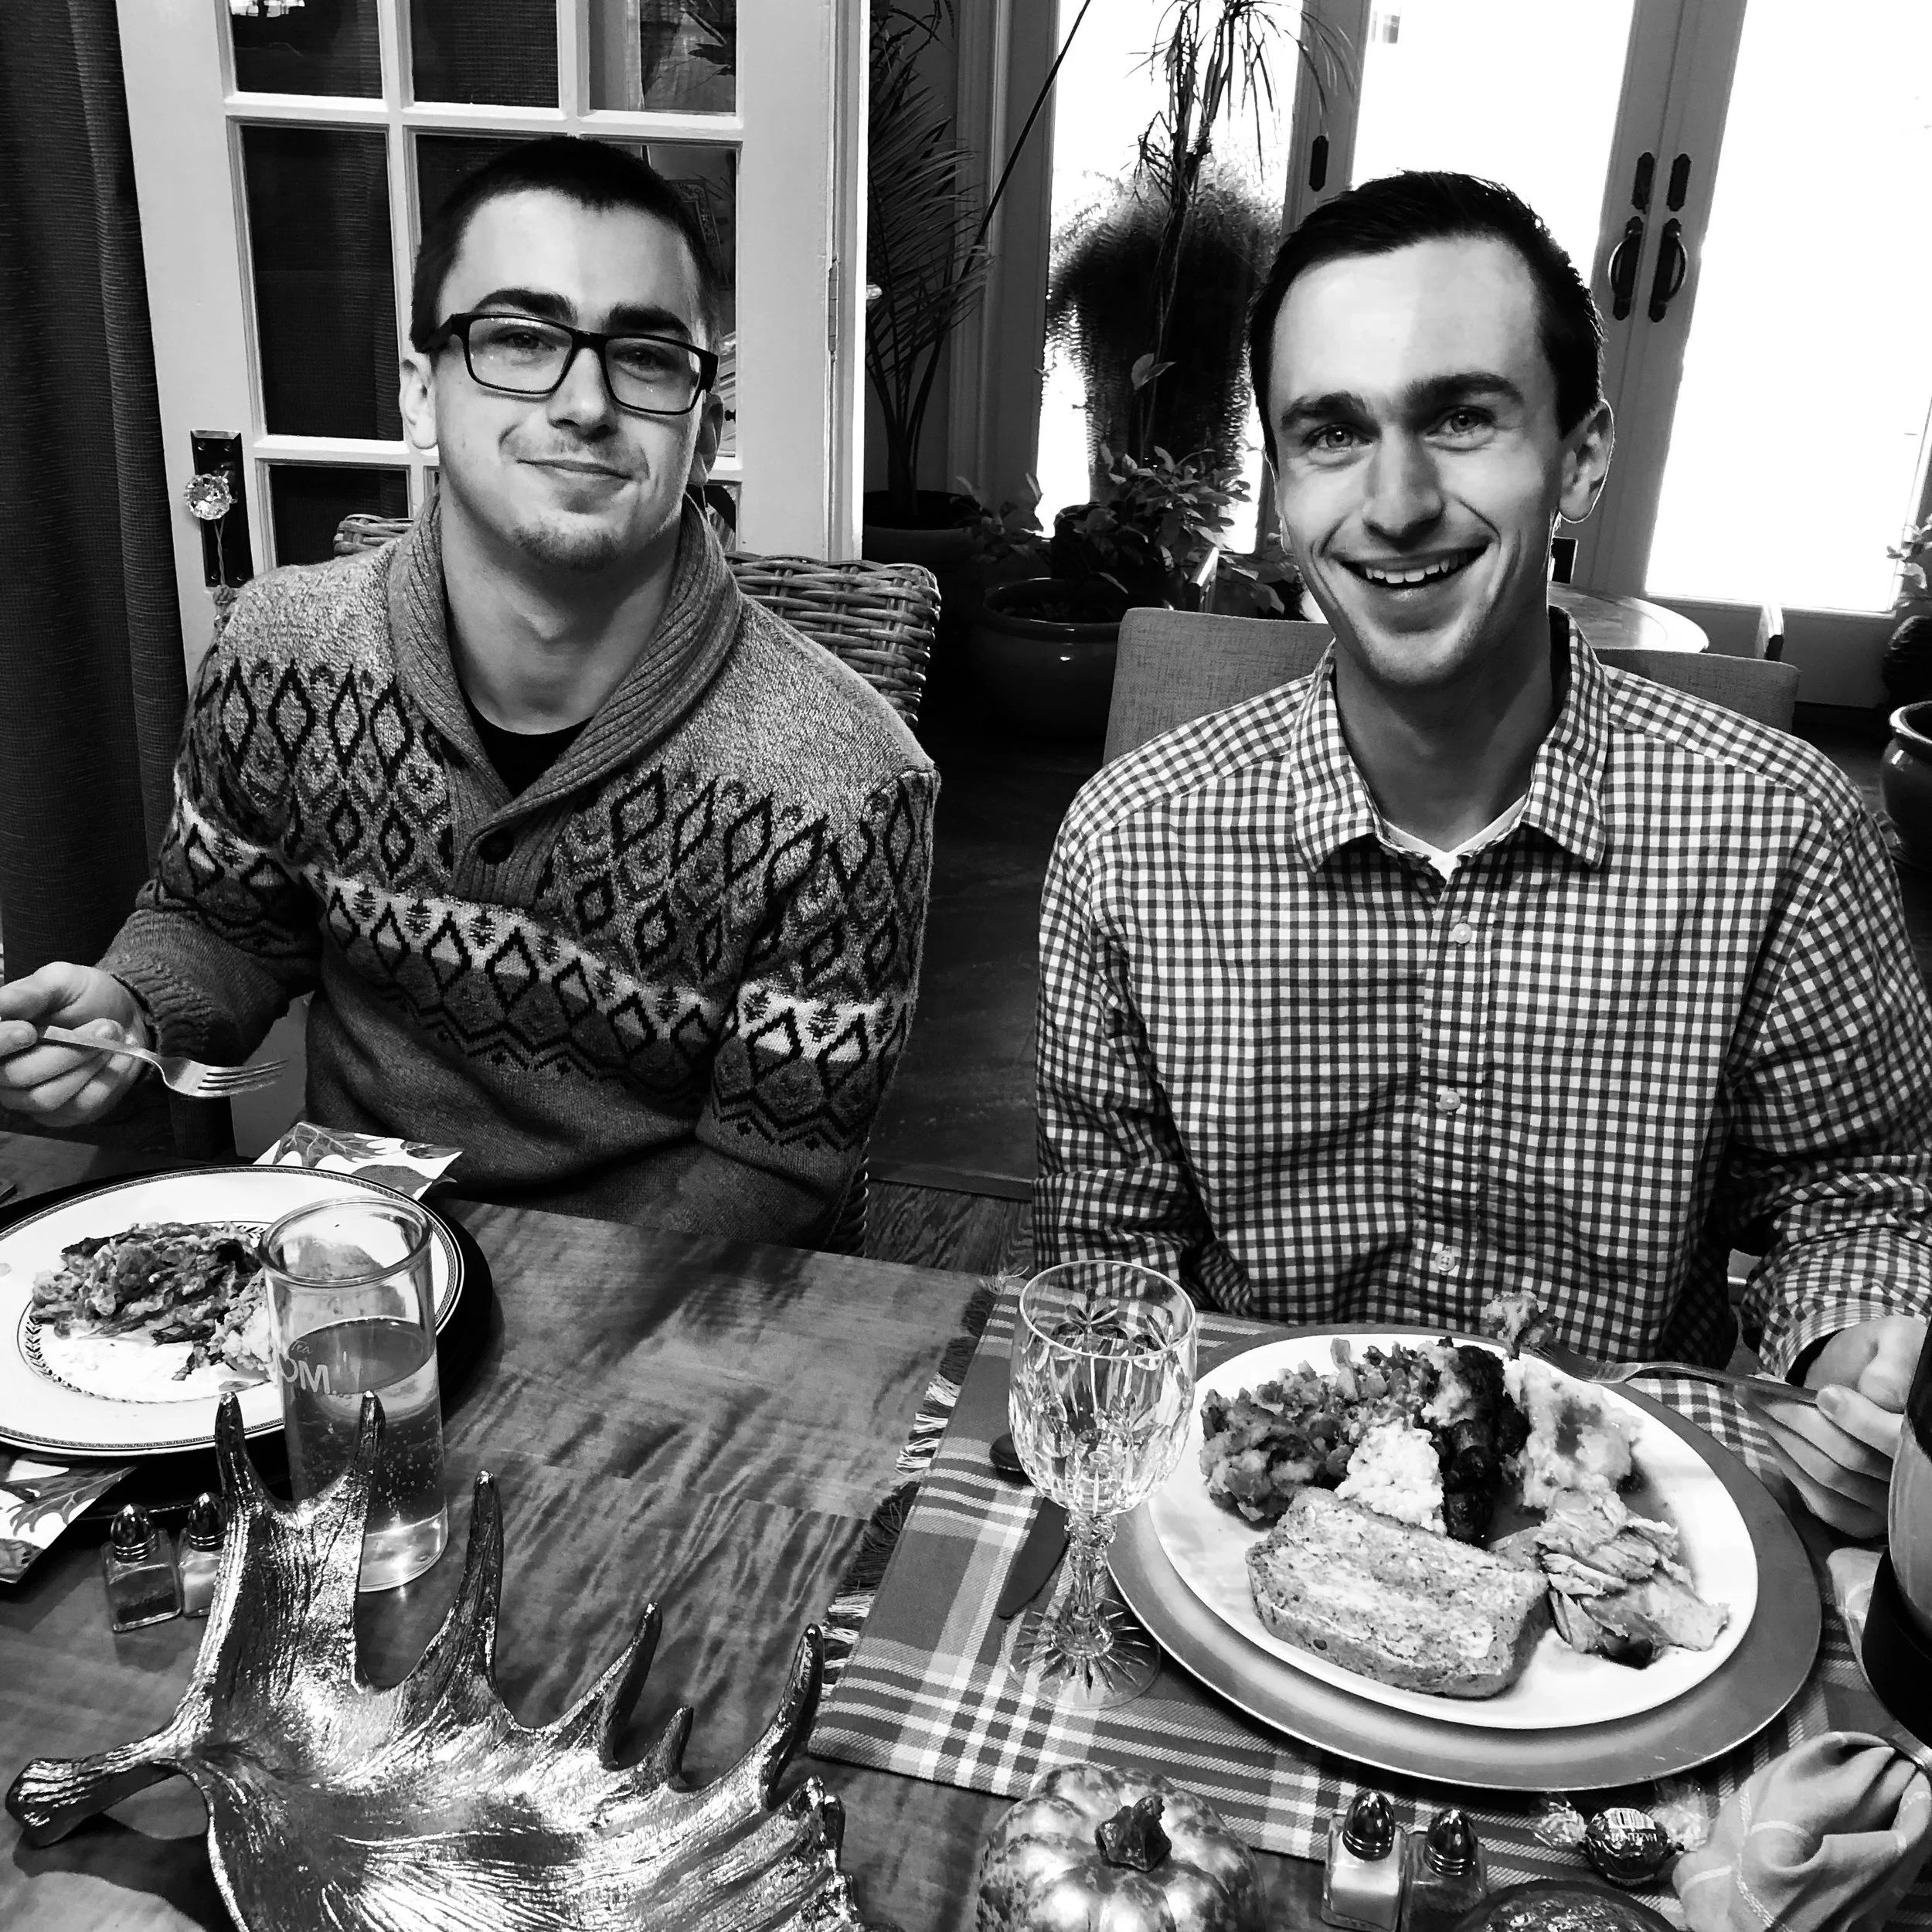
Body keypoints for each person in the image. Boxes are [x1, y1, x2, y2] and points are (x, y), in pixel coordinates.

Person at [1034, 170, 1932, 1536]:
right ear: (1282, 483)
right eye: (1333, 432)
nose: (1396, 501)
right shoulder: (1128, 846)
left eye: (1461, 417)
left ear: (1581, 456)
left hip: (1615, 1535)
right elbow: (1110, 1257)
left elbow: (1854, 1200)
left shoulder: (1786, 832)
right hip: (1248, 1535)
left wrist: (1858, 1355)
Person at [0, 137, 936, 1245]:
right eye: (520, 339)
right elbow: (222, 920)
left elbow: (773, 1171)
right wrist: (134, 1002)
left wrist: (491, 1288)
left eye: (645, 356)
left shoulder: (850, 788)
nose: (585, 403)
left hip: (654, 1289)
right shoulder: (277, 649)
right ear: (419, 392)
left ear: (705, 428)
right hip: (345, 1256)